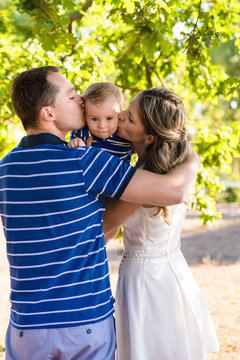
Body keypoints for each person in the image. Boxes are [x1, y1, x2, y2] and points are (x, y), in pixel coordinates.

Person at [0, 66, 199, 360]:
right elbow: (174, 191)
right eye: (71, 96)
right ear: (48, 113)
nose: (81, 99)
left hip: (26, 328)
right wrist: (189, 152)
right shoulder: (84, 161)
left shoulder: (5, 170)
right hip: (85, 322)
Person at [103, 88, 219, 360]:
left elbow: (107, 224)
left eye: (129, 118)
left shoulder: (141, 179)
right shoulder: (180, 162)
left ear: (150, 136)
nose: (118, 116)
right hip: (172, 271)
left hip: (145, 280)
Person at [69, 82, 132, 162]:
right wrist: (75, 143)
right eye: (94, 119)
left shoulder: (126, 135)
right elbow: (73, 157)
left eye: (109, 118)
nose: (102, 126)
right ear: (85, 117)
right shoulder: (82, 133)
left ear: (120, 114)